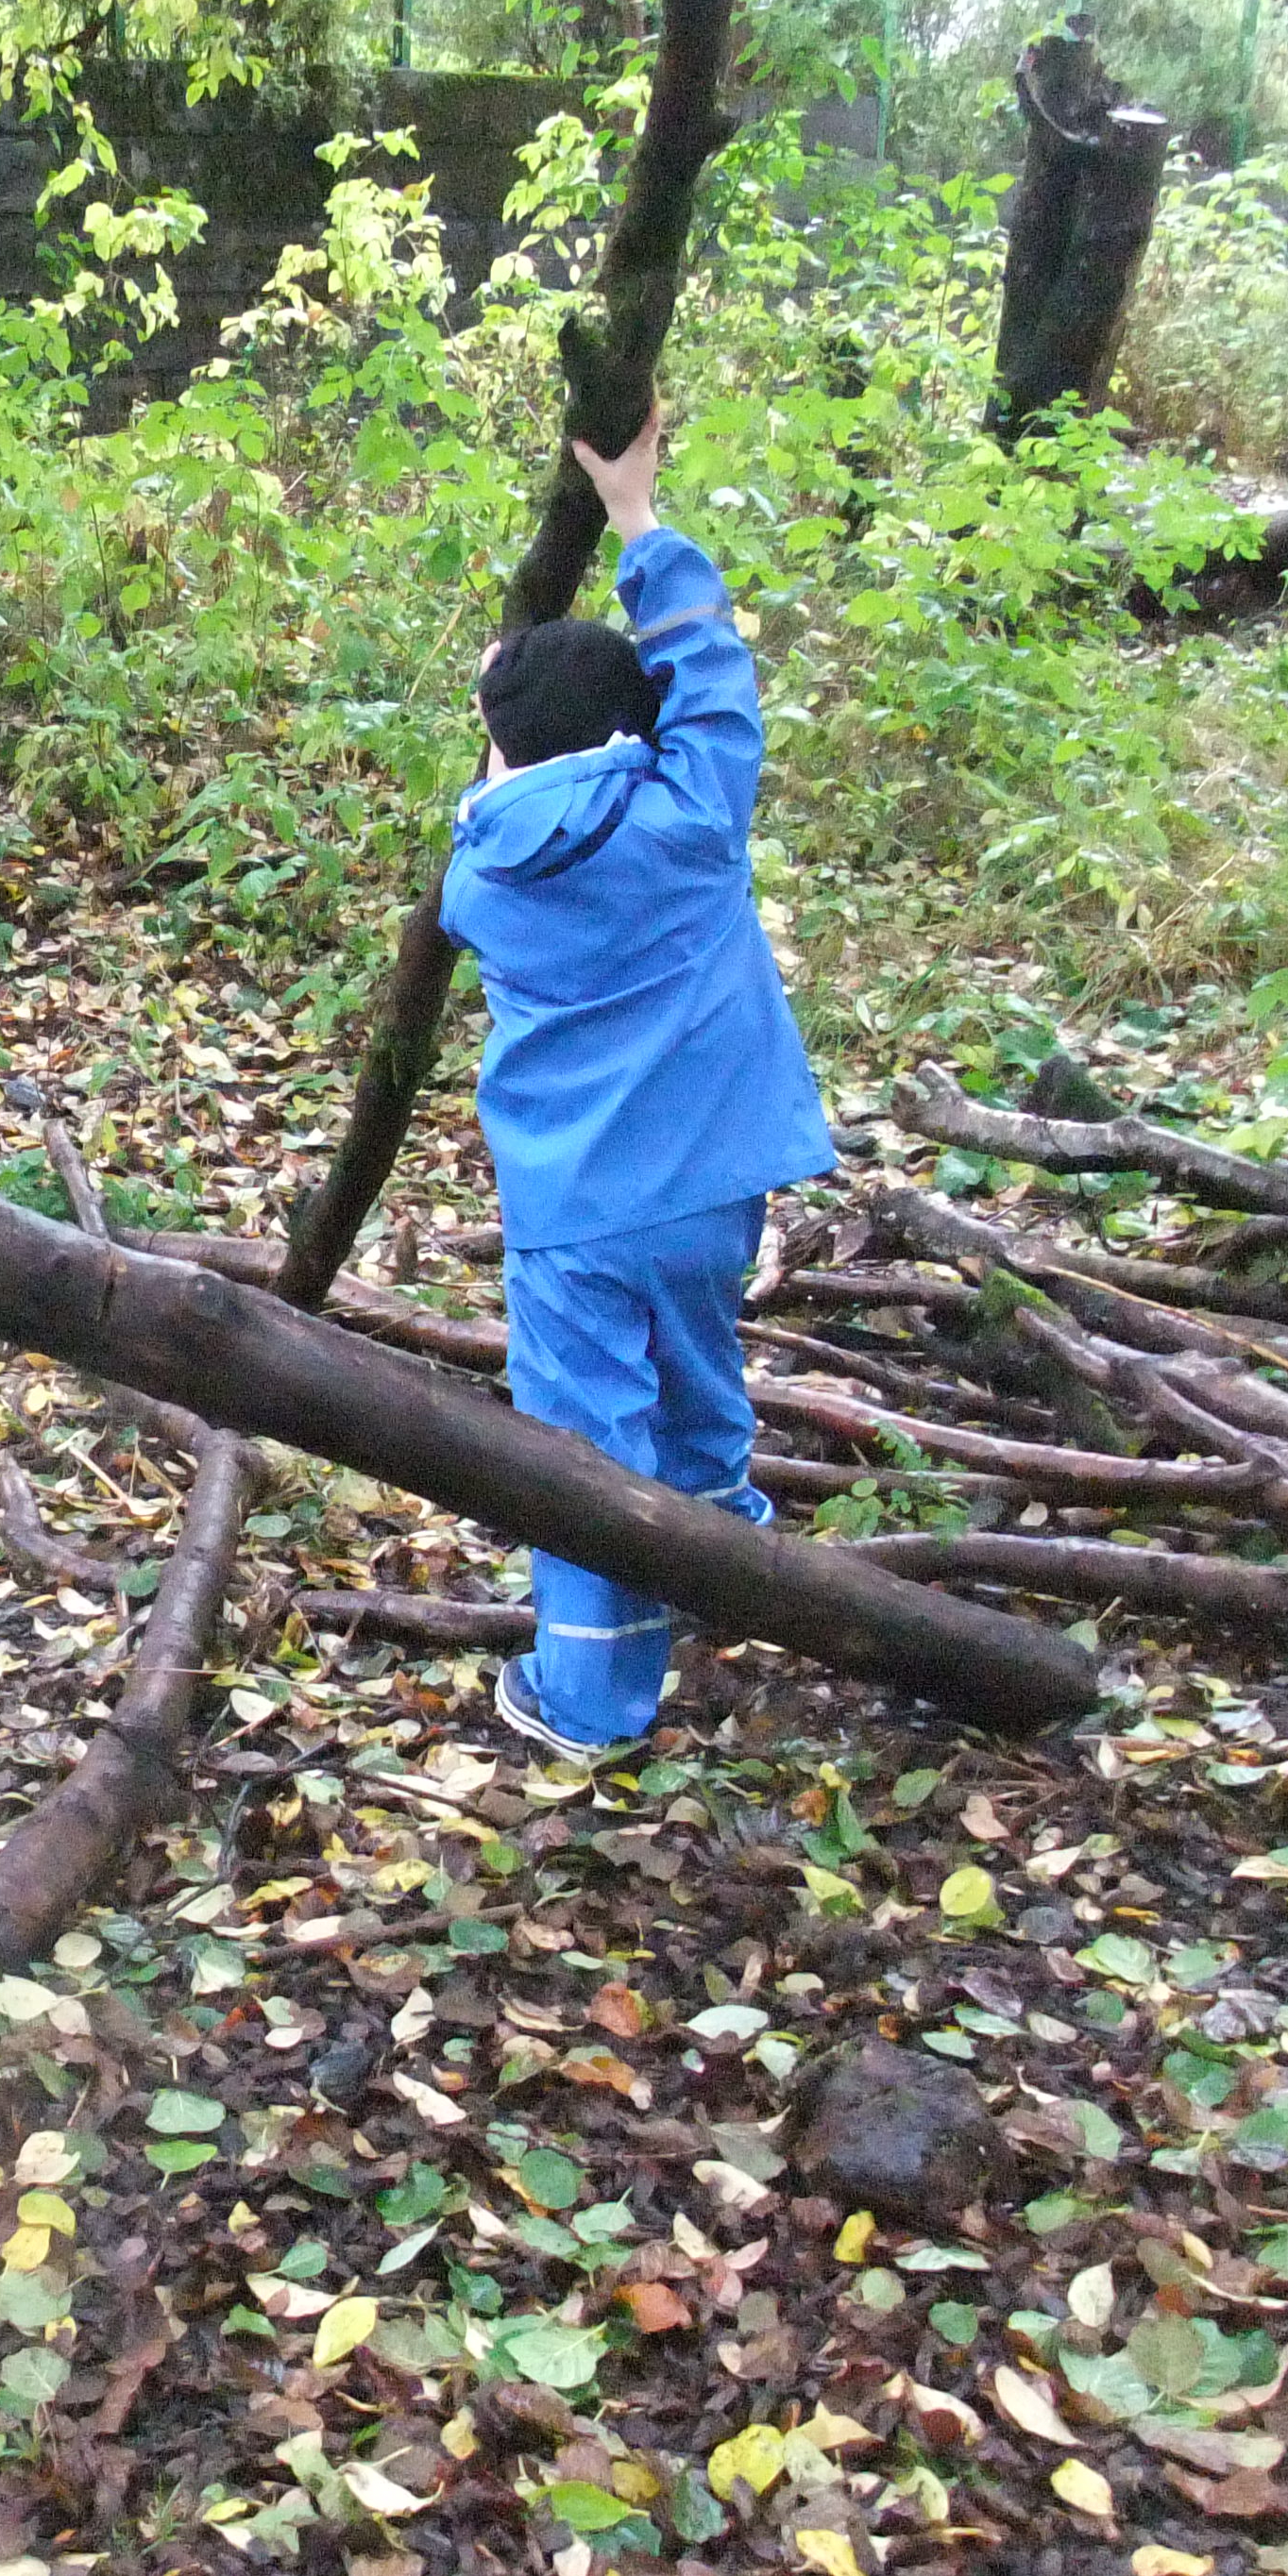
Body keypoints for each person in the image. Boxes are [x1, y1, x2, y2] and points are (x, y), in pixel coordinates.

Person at [440, 408, 838, 1756]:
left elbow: (512, 784)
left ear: (503, 748)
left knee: (586, 1453)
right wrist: (637, 516)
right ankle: (730, 1581)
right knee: (700, 1391)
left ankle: (595, 1698)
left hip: (572, 1212)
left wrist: (509, 713)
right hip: (711, 1191)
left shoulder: (483, 875)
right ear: (640, 728)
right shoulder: (692, 818)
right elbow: (710, 675)